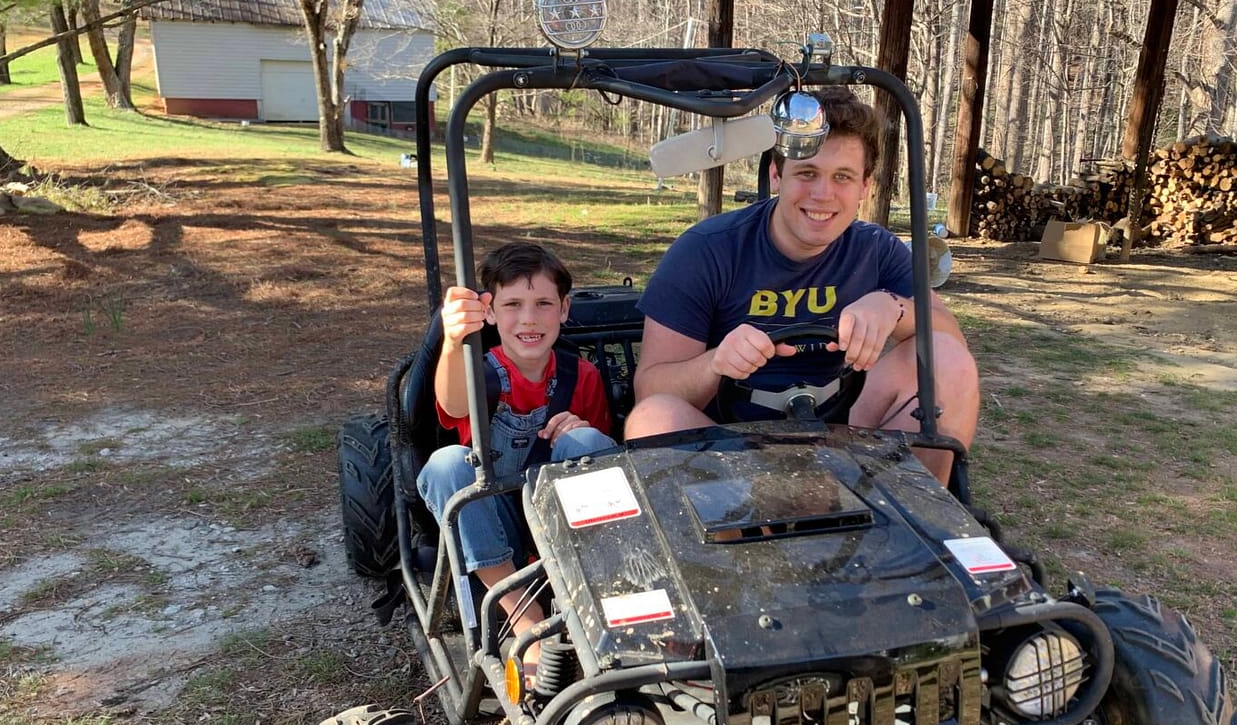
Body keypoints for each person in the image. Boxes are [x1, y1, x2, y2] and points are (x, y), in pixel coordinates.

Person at [624, 87, 979, 484]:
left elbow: (950, 341)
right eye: (807, 173)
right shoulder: (707, 250)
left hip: (845, 429)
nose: (822, 194)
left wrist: (892, 306)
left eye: (842, 177)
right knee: (652, 418)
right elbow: (651, 390)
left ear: (864, 186)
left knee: (945, 358)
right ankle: (727, 535)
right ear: (777, 175)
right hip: (729, 446)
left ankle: (920, 520)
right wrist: (716, 362)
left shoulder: (875, 249)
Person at [417, 242, 615, 647]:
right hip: (494, 527)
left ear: (564, 309)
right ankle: (524, 614)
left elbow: (605, 462)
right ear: (488, 311)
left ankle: (598, 596)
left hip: (561, 523)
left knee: (588, 440)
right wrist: (455, 342)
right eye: (512, 305)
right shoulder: (477, 370)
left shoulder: (583, 377)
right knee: (447, 465)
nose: (529, 318)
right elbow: (453, 403)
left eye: (543, 303)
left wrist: (578, 430)